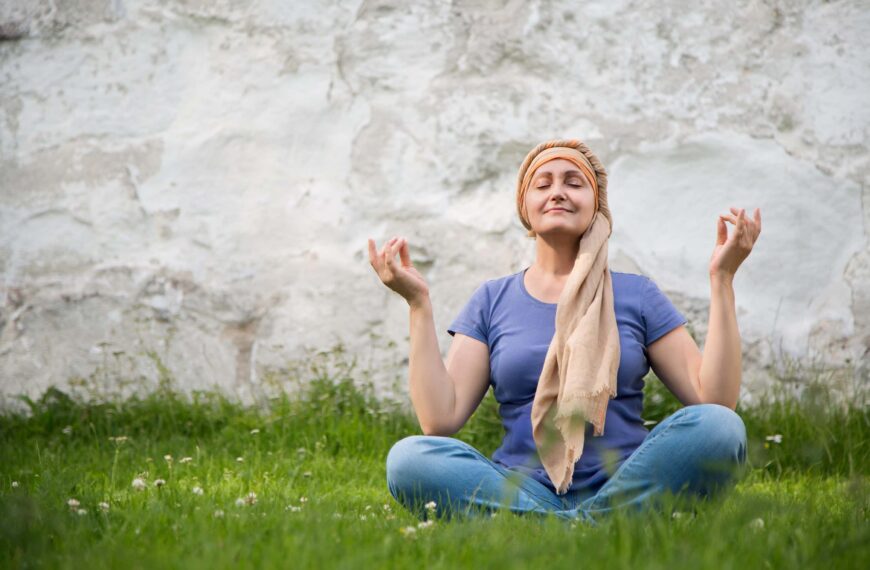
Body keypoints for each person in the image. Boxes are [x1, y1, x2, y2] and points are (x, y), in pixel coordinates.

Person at [366, 139, 762, 524]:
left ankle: (544, 525)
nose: (558, 192)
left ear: (597, 206)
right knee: (409, 458)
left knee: (720, 428)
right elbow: (439, 420)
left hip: (626, 481)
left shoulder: (636, 294)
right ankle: (599, 524)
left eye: (574, 183)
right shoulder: (492, 299)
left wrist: (722, 278)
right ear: (526, 207)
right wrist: (417, 305)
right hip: (522, 487)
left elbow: (714, 399)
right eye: (543, 184)